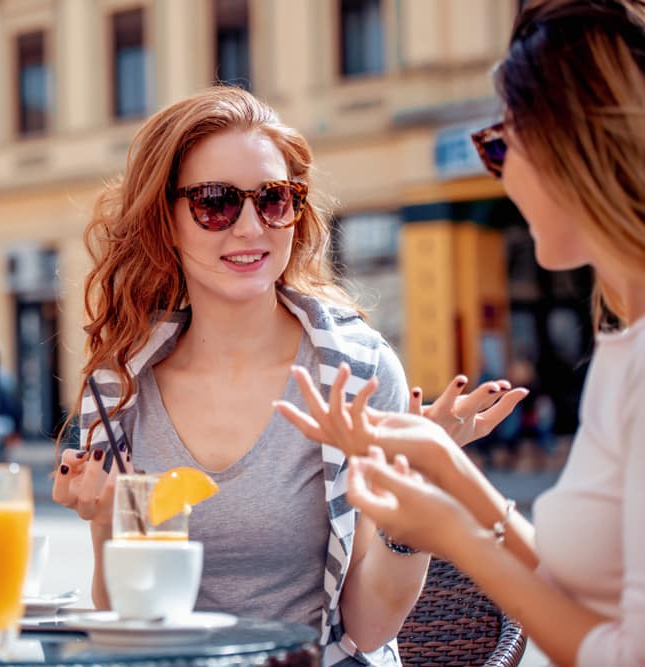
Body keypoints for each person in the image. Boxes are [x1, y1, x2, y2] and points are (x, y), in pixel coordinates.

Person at [51, 86, 525, 666]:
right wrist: (104, 520)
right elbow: (121, 611)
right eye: (216, 202)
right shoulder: (120, 385)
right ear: (165, 221)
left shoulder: (359, 374)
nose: (252, 227)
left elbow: (368, 631)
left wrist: (416, 497)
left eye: (274, 199)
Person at [276, 1, 645, 665]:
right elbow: (588, 592)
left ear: (576, 149)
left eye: (501, 145)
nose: (496, 173)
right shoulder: (623, 344)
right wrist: (441, 460)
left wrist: (451, 529)